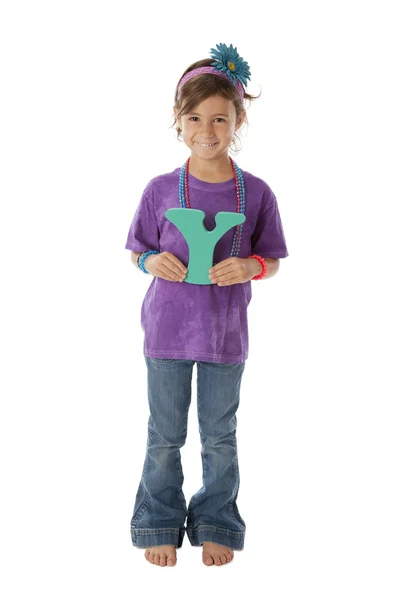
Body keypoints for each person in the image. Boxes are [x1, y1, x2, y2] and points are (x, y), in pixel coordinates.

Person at [125, 43, 289, 567]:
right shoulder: (158, 189)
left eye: (220, 118)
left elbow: (273, 259)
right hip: (166, 333)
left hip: (225, 336)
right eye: (194, 117)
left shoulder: (257, 194)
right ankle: (158, 521)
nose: (207, 129)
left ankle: (217, 520)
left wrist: (251, 267)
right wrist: (151, 262)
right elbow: (136, 251)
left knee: (219, 437)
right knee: (164, 436)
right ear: (178, 118)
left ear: (239, 118)